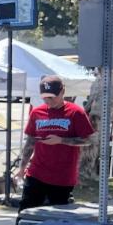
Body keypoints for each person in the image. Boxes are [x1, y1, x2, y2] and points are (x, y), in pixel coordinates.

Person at [16, 75, 96, 211]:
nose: (48, 101)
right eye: (45, 97)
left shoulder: (76, 113)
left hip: (63, 177)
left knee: (57, 217)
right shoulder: (37, 112)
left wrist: (61, 140)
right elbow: (30, 142)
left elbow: (89, 140)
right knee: (26, 212)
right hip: (36, 173)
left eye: (52, 97)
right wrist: (22, 167)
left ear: (62, 92)